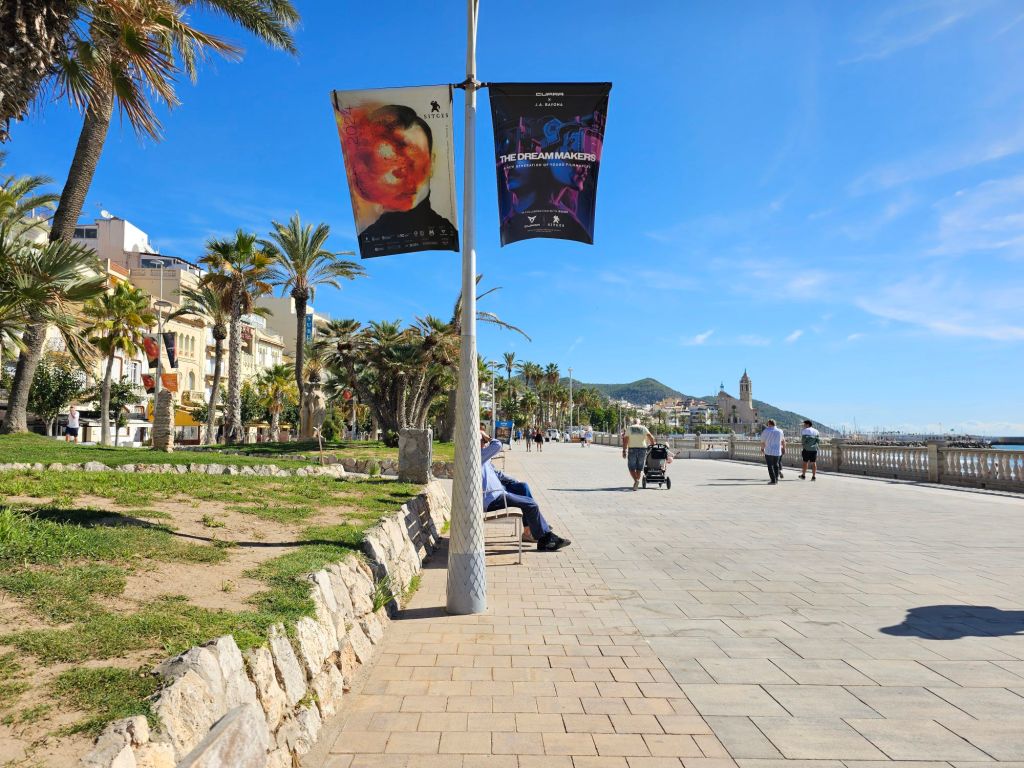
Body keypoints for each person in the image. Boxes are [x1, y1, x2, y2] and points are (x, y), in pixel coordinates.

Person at [342, 104, 459, 257]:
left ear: (432, 163)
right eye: (390, 160)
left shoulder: (447, 232)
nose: (406, 176)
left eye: (415, 161)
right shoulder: (367, 238)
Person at [481, 430, 570, 551]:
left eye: (485, 441)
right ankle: (543, 536)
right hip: (493, 499)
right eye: (482, 441)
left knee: (523, 488)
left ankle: (539, 532)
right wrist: (488, 437)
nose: (485, 443)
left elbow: (496, 473)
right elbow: (497, 445)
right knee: (531, 504)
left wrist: (514, 480)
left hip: (498, 493)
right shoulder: (478, 456)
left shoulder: (482, 457)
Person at [621, 417, 655, 490]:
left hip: (632, 449)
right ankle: (636, 482)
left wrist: (624, 451)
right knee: (639, 467)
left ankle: (636, 480)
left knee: (631, 467)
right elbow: (651, 437)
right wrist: (653, 445)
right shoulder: (644, 428)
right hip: (643, 449)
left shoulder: (629, 428)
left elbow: (625, 440)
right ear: (639, 423)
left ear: (633, 422)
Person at [760, 419, 786, 484]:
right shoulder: (780, 431)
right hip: (777, 451)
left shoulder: (766, 431)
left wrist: (762, 449)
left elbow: (763, 442)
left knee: (770, 466)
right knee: (776, 465)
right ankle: (776, 480)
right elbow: (783, 441)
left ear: (769, 424)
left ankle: (773, 480)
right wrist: (784, 448)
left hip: (768, 451)